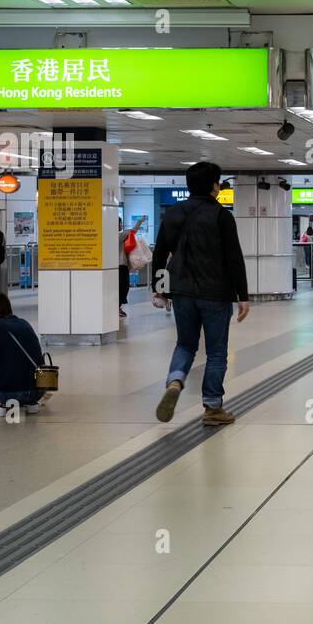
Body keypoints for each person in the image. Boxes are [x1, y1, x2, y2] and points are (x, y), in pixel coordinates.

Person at [151, 161, 250, 427]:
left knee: (185, 344)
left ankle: (175, 379)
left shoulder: (172, 213)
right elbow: (234, 258)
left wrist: (159, 290)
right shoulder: (221, 215)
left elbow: (160, 253)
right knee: (217, 351)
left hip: (181, 292)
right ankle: (212, 408)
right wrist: (243, 295)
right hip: (216, 293)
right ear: (214, 186)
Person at [118, 217, 133, 318]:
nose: (121, 225)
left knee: (121, 288)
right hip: (121, 266)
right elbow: (133, 231)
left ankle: (117, 307)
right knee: (123, 288)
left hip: (117, 266)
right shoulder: (119, 235)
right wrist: (141, 221)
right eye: (120, 223)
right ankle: (117, 308)